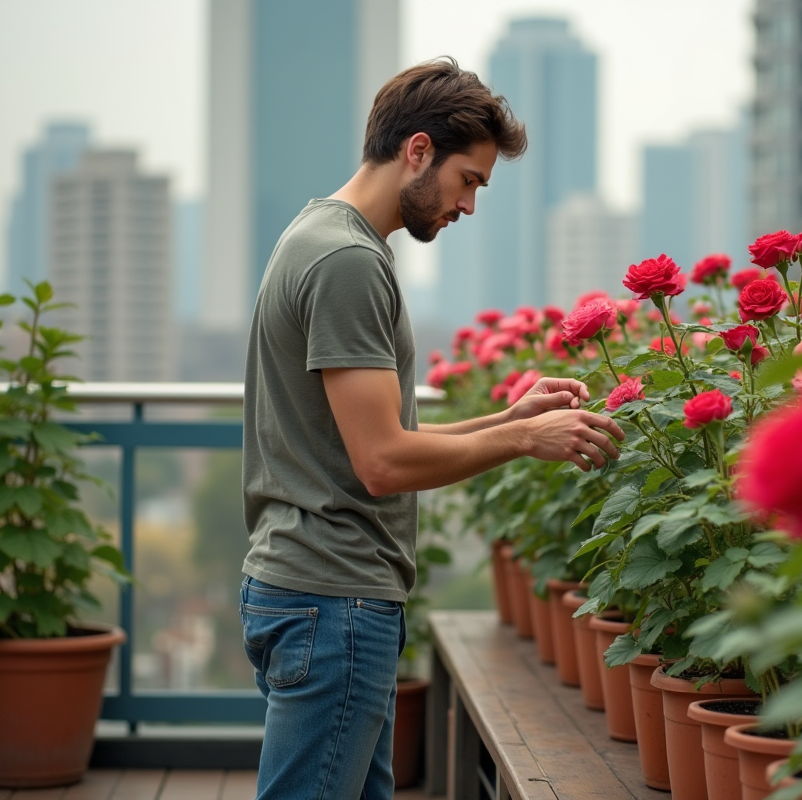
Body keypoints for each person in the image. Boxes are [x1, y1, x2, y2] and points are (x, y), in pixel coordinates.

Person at [239, 58, 625, 800]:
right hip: (334, 600)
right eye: (469, 181)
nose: (469, 206)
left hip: (311, 591)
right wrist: (521, 442)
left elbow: (369, 440)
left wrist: (508, 417)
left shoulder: (320, 232)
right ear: (418, 151)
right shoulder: (349, 261)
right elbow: (383, 463)